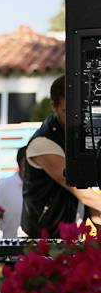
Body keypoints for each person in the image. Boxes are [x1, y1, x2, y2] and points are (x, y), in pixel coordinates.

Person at [22, 74, 101, 237]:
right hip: (41, 240)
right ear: (54, 107)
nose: (76, 116)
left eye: (80, 109)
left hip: (69, 237)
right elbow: (80, 188)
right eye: (68, 111)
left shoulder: (78, 136)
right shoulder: (43, 144)